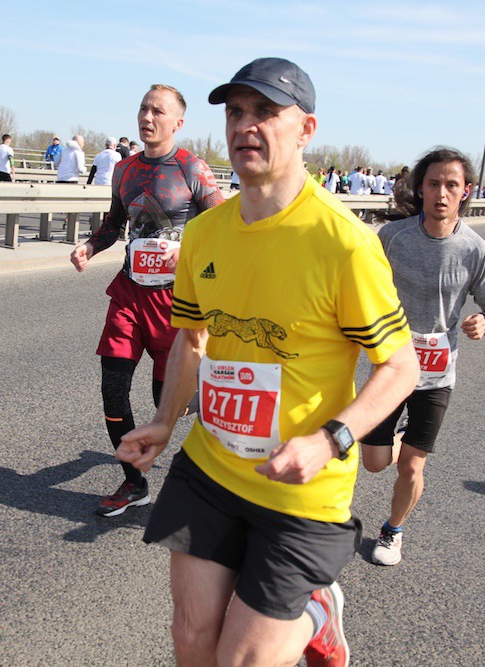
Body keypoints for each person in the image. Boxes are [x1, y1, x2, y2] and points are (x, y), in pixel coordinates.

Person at [118, 57, 419, 667]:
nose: (244, 125)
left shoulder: (343, 243)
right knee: (192, 641)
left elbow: (401, 367)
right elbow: (192, 341)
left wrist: (330, 440)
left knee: (240, 661)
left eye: (265, 112)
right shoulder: (205, 234)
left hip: (301, 491)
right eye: (235, 112)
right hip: (212, 467)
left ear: (306, 129)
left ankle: (316, 611)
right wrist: (165, 420)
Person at [69, 84, 224, 519]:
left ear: (178, 122)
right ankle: (134, 483)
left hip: (176, 303)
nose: (148, 117)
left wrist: (188, 250)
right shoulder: (125, 170)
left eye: (158, 111)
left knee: (165, 401)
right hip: (129, 293)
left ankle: (202, 435)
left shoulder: (193, 169)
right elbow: (114, 224)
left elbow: (223, 231)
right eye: (143, 108)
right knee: (112, 389)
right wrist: (89, 247)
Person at [362, 147, 485, 567]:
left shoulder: (476, 250)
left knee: (411, 467)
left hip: (437, 375)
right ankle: (402, 437)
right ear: (421, 189)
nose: (442, 193)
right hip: (390, 367)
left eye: (451, 185)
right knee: (374, 463)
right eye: (434, 184)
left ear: (465, 191)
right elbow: (363, 284)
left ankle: (393, 531)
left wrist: (484, 321)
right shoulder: (393, 237)